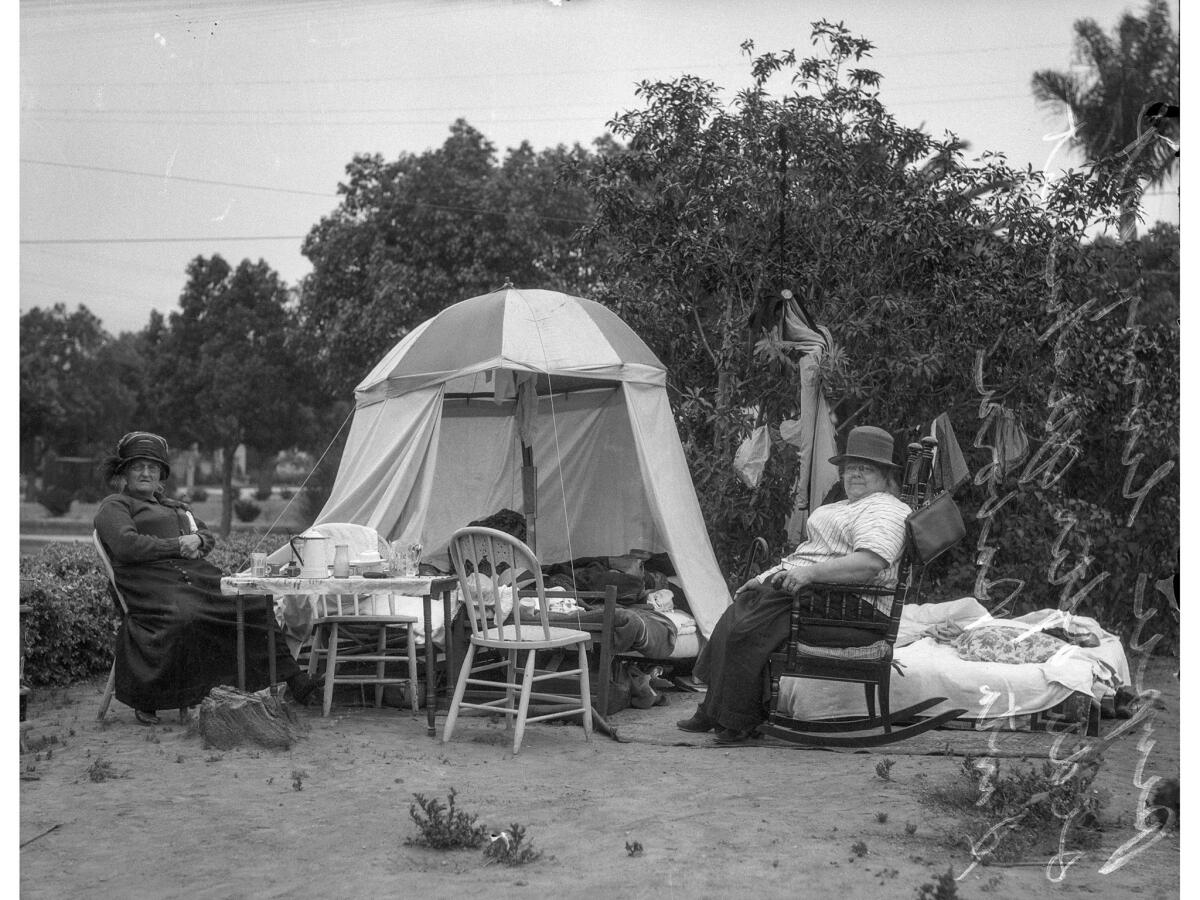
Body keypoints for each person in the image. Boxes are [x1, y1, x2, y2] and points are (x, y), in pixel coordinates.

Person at [677, 425, 911, 744]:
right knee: (736, 614)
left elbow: (869, 563)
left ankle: (737, 719)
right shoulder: (843, 507)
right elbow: (806, 555)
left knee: (748, 630)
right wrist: (761, 578)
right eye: (850, 468)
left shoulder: (885, 509)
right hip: (819, 595)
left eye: (865, 468)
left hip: (852, 606)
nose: (855, 474)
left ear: (884, 475)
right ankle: (715, 708)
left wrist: (808, 576)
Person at [94, 431, 317, 724]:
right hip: (150, 586)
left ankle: (293, 678)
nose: (146, 473)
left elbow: (206, 536)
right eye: (138, 466)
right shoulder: (115, 506)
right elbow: (126, 545)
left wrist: (198, 540)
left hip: (196, 580)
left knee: (252, 603)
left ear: (161, 473)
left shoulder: (175, 506)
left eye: (152, 467)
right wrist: (176, 545)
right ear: (124, 472)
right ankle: (152, 697)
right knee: (186, 615)